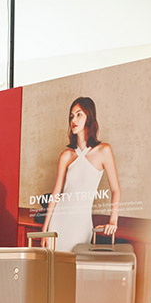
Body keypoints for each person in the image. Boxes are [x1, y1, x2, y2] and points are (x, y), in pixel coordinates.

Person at [40, 97, 121, 252]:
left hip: (81, 222)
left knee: (76, 262)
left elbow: (116, 190)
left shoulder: (104, 151)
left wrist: (113, 221)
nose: (73, 120)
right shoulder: (66, 155)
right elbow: (56, 193)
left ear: (89, 117)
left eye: (79, 114)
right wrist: (45, 229)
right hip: (58, 220)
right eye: (71, 116)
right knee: (54, 263)